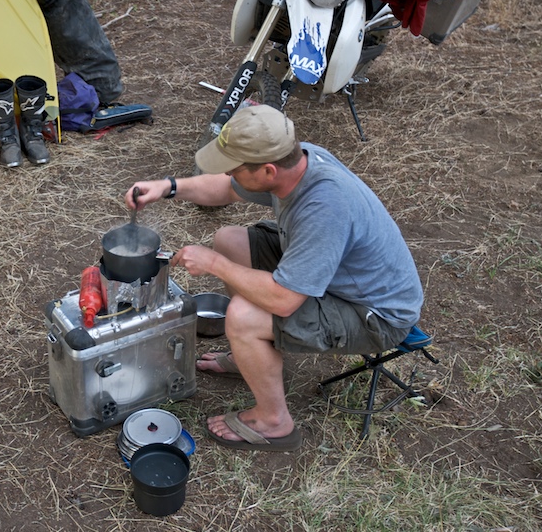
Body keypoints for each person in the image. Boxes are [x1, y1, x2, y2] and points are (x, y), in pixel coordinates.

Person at [124, 105, 423, 451]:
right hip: (334, 277)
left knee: (243, 316)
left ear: (267, 171)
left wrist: (214, 264)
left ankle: (274, 421)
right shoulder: (293, 161)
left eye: (236, 169)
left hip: (374, 315)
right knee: (230, 239)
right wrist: (167, 187)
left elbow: (284, 299)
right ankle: (248, 355)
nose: (232, 175)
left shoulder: (323, 207)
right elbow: (225, 188)